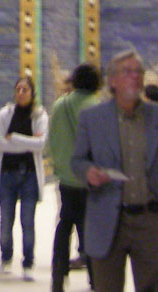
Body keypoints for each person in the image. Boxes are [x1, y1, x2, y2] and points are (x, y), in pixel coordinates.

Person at [71, 49, 158, 292]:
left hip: (152, 222)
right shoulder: (92, 118)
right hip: (108, 220)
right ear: (112, 81)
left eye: (139, 72)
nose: (135, 76)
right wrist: (89, 172)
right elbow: (77, 161)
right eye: (127, 72)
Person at [0, 76, 48, 281]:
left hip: (29, 175)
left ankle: (28, 264)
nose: (20, 93)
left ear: (32, 93)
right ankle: (5, 258)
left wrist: (15, 139)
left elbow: (41, 144)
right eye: (18, 89)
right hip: (7, 174)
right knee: (5, 219)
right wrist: (28, 143)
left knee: (27, 221)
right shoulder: (5, 113)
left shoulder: (40, 115)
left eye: (25, 89)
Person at [47, 63, 101, 292]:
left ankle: (58, 277)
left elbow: (50, 142)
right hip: (91, 181)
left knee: (64, 226)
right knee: (91, 231)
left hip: (66, 179)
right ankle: (95, 280)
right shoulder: (98, 108)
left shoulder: (60, 105)